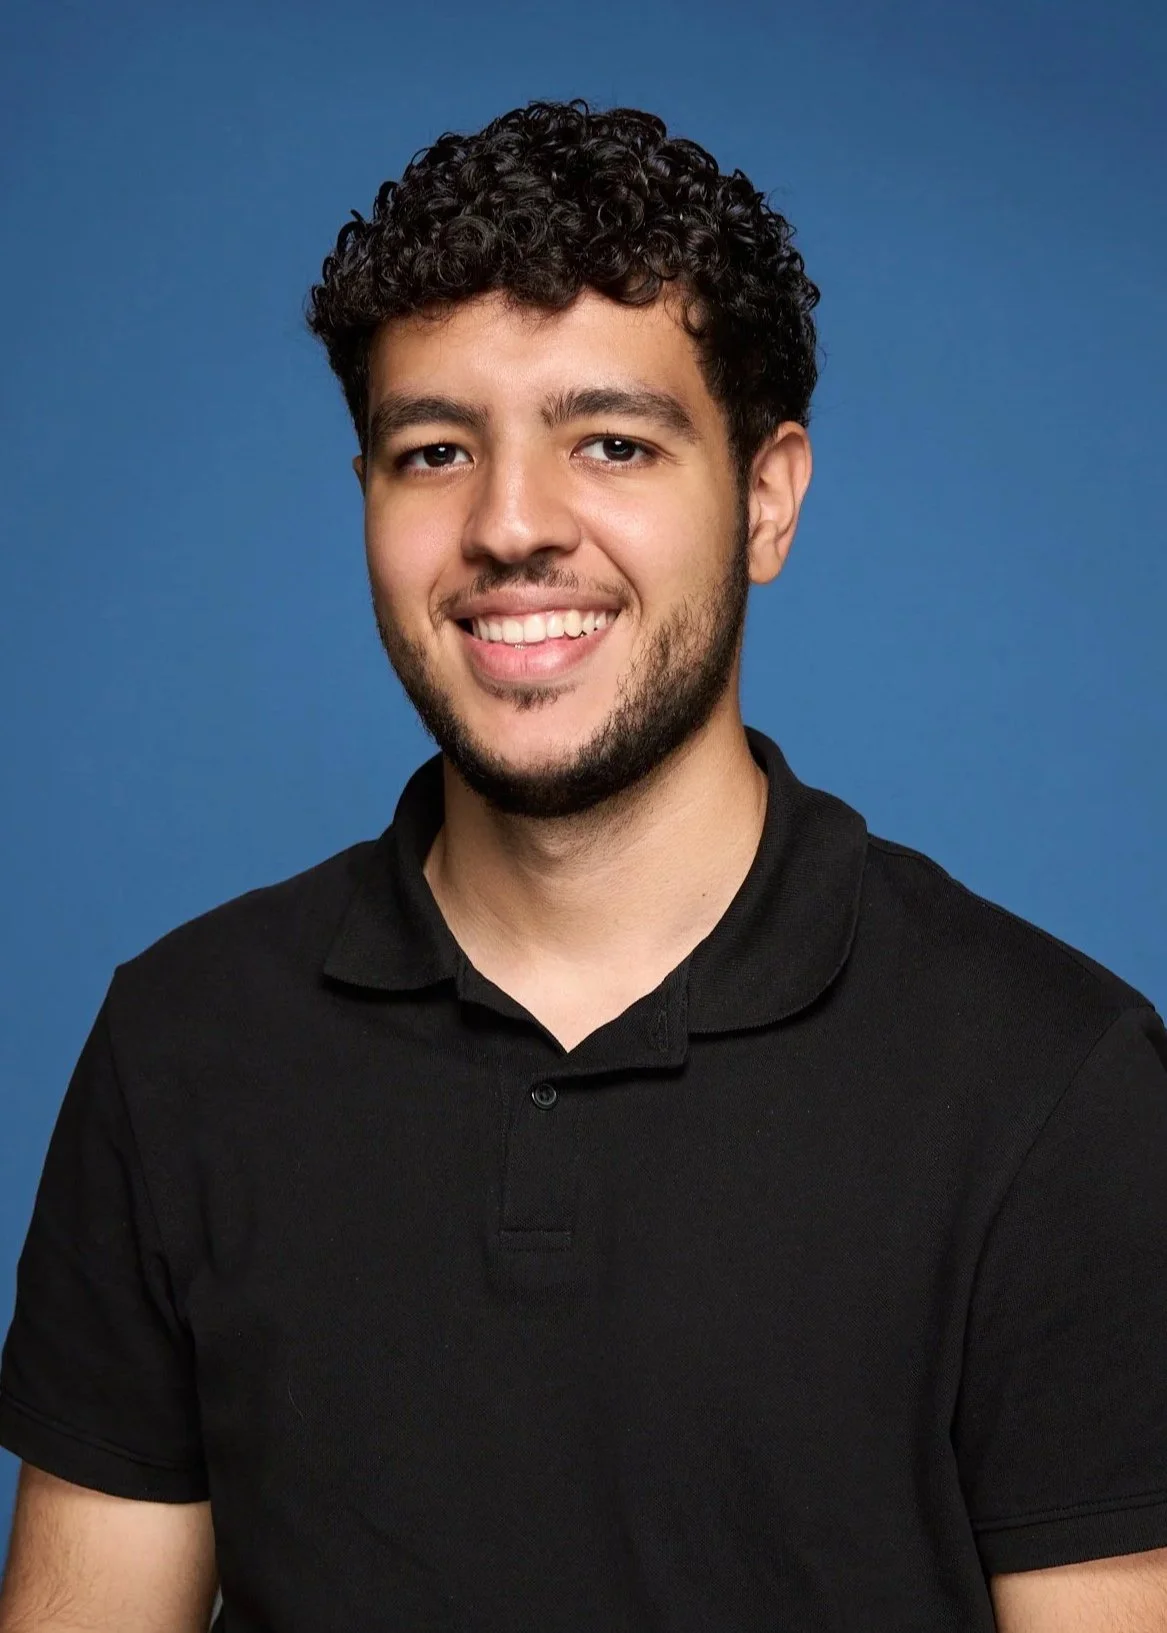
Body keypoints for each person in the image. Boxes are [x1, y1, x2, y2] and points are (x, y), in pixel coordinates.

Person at [1, 99, 1165, 1633]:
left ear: (766, 497)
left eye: (610, 442)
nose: (509, 526)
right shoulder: (182, 1046)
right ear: (366, 498)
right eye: (434, 450)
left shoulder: (1053, 1082)